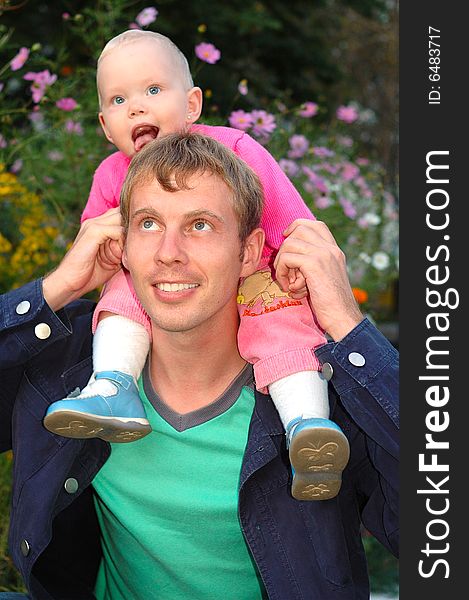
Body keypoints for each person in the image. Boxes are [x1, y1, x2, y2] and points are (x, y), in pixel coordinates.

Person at [0, 132, 398, 599]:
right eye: (148, 223)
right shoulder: (70, 371)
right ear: (122, 244)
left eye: (200, 225)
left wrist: (348, 325)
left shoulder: (317, 398)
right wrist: (56, 289)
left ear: (249, 252)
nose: (169, 252)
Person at [42, 29, 351, 500]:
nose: (138, 108)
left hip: (260, 276)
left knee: (283, 329)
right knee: (121, 294)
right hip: (154, 285)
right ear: (106, 125)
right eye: (120, 99)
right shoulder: (111, 174)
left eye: (152, 90)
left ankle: (308, 428)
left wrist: (301, 265)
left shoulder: (235, 151)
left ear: (191, 105)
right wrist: (82, 271)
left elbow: (290, 216)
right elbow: (98, 239)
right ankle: (113, 384)